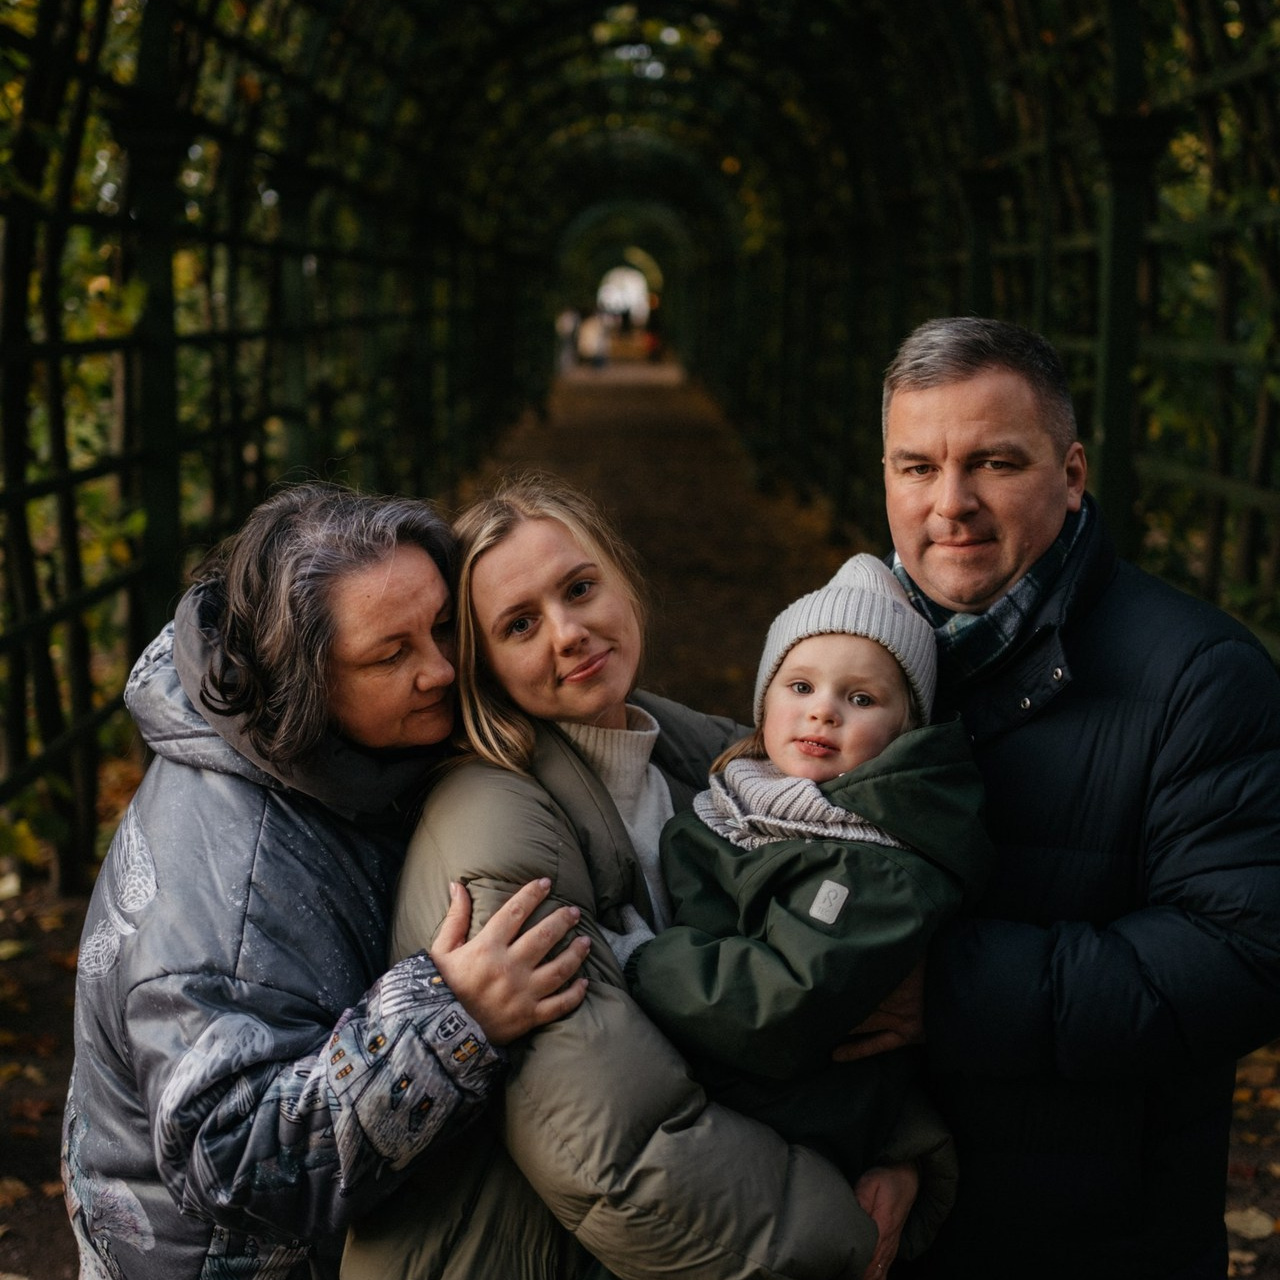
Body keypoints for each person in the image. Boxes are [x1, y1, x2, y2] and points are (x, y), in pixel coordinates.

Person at [343, 475, 957, 1280]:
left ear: (622, 581)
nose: (569, 632)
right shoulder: (491, 831)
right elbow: (618, 1161)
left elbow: (814, 971)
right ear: (483, 666)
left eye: (580, 587)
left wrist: (901, 1150)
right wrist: (842, 1234)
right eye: (520, 624)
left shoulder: (721, 764)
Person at [62, 482, 590, 1280]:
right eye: (392, 654)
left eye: (444, 625)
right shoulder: (227, 888)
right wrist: (448, 1021)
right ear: (299, 679)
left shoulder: (333, 755)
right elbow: (231, 1161)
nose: (444, 668)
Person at [853, 316, 1280, 1279]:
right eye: (916, 467)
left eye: (994, 463)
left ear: (1074, 472)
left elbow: (1241, 955)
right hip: (877, 1219)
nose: (949, 504)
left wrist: (948, 994)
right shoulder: (841, 660)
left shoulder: (1201, 675)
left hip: (1092, 1233)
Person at [617, 554, 992, 1230]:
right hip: (730, 1105)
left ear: (906, 731)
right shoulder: (747, 801)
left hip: (791, 1131)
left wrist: (640, 960)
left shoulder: (875, 860)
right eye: (800, 686)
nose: (823, 711)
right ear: (764, 702)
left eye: (861, 698)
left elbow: (783, 997)